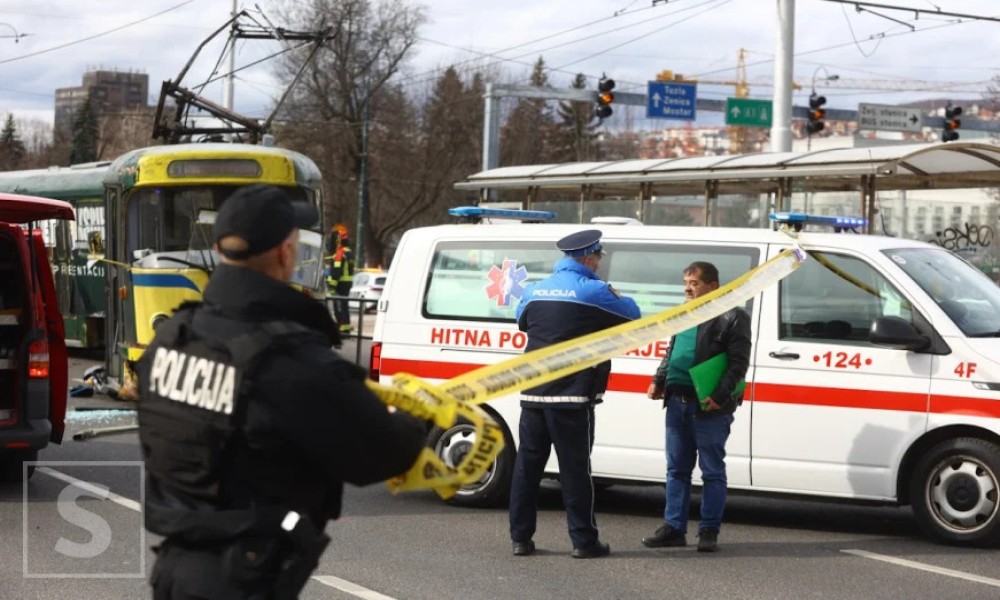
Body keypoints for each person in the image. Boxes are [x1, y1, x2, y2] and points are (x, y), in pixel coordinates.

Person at [137, 184, 425, 600]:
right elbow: (382, 452)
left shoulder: (172, 337)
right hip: (244, 579)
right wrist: (415, 419)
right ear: (286, 253)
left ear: (219, 251)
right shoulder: (287, 359)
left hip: (174, 570)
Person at [509, 230, 640, 559]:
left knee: (527, 468)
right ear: (587, 257)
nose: (598, 263)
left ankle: (520, 539)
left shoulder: (535, 290)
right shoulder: (594, 290)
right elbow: (633, 316)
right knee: (575, 471)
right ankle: (583, 541)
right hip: (571, 395)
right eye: (597, 258)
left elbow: (522, 323)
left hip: (534, 393)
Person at [642, 261, 751, 553]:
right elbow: (672, 351)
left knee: (712, 471)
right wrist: (659, 379)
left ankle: (708, 530)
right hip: (677, 402)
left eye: (694, 283)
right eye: (686, 283)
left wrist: (719, 394)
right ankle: (674, 528)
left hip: (709, 405)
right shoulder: (685, 312)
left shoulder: (733, 316)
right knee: (676, 469)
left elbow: (738, 363)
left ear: (713, 286)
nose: (688, 288)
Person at [326, 223, 355, 333]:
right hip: (347, 283)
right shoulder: (349, 252)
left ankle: (341, 326)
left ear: (338, 241)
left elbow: (336, 271)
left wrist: (331, 286)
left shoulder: (340, 253)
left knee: (338, 305)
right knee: (344, 304)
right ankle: (346, 326)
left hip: (339, 284)